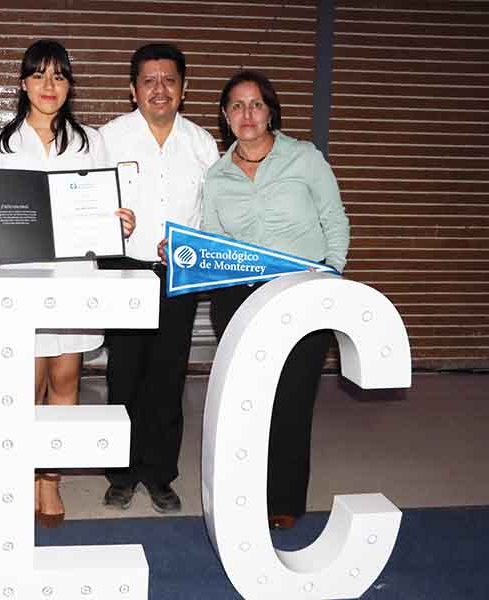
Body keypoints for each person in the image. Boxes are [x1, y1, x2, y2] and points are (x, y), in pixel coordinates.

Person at [0, 40, 135, 528]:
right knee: (25, 385)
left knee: (65, 379)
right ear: (22, 84)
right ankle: (19, 477)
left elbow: (101, 206)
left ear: (69, 85)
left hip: (74, 276)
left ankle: (50, 481)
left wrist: (117, 219)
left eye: (59, 76)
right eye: (39, 76)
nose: (49, 86)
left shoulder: (90, 140)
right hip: (21, 278)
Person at [200, 69, 350, 529]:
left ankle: (284, 500)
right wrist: (185, 253)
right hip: (239, 299)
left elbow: (335, 222)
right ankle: (242, 495)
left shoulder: (304, 159)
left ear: (271, 112)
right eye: (237, 106)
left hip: (301, 295)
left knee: (292, 398)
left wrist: (331, 278)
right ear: (226, 116)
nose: (247, 114)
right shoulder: (217, 174)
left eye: (256, 104)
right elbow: (210, 237)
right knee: (247, 399)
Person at [98, 43, 219, 513]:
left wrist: (195, 241)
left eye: (169, 79)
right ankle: (121, 474)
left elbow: (213, 211)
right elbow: (88, 203)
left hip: (179, 269)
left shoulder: (202, 143)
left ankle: (160, 473)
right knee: (123, 373)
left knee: (169, 376)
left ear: (184, 89)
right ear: (133, 89)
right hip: (125, 269)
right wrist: (110, 222)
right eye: (149, 80)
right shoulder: (108, 138)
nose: (159, 89)